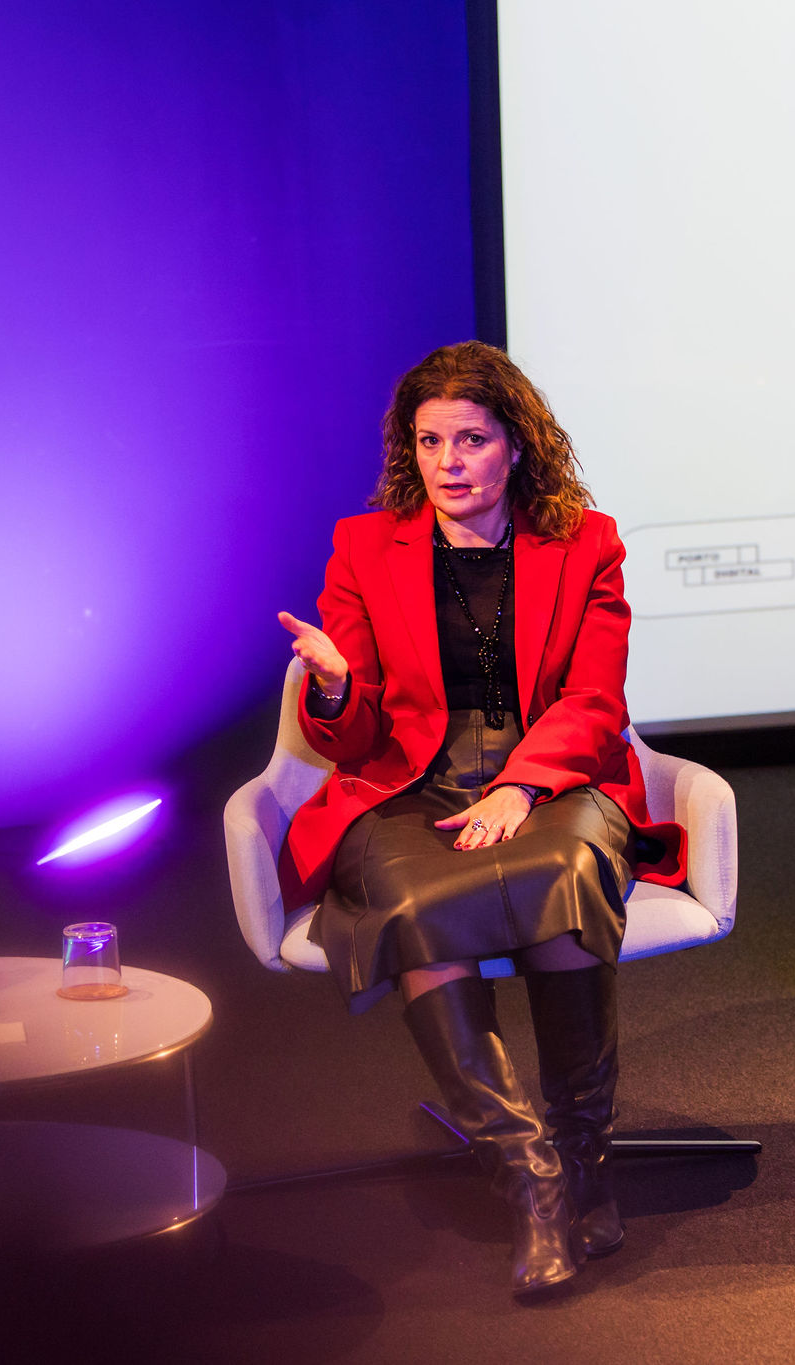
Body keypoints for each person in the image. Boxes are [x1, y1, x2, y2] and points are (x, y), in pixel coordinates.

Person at [275, 341, 685, 1294]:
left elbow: (594, 699)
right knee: (414, 906)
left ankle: (585, 1155)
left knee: (568, 873)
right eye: (429, 442)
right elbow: (354, 735)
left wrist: (522, 786)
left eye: (470, 440)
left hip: (556, 776)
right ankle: (533, 1177)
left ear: (517, 445)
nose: (448, 462)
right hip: (409, 786)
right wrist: (332, 688)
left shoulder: (586, 542)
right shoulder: (364, 547)